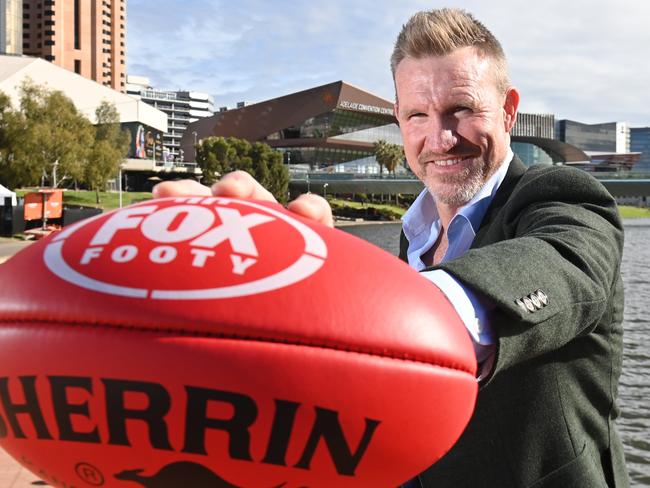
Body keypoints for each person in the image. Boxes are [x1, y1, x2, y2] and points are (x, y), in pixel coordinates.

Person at [155, 8, 628, 487]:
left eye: (461, 109)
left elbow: (562, 264)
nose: (440, 139)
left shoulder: (560, 195)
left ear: (508, 110)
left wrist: (375, 316)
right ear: (400, 119)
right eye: (418, 114)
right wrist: (294, 287)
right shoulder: (414, 236)